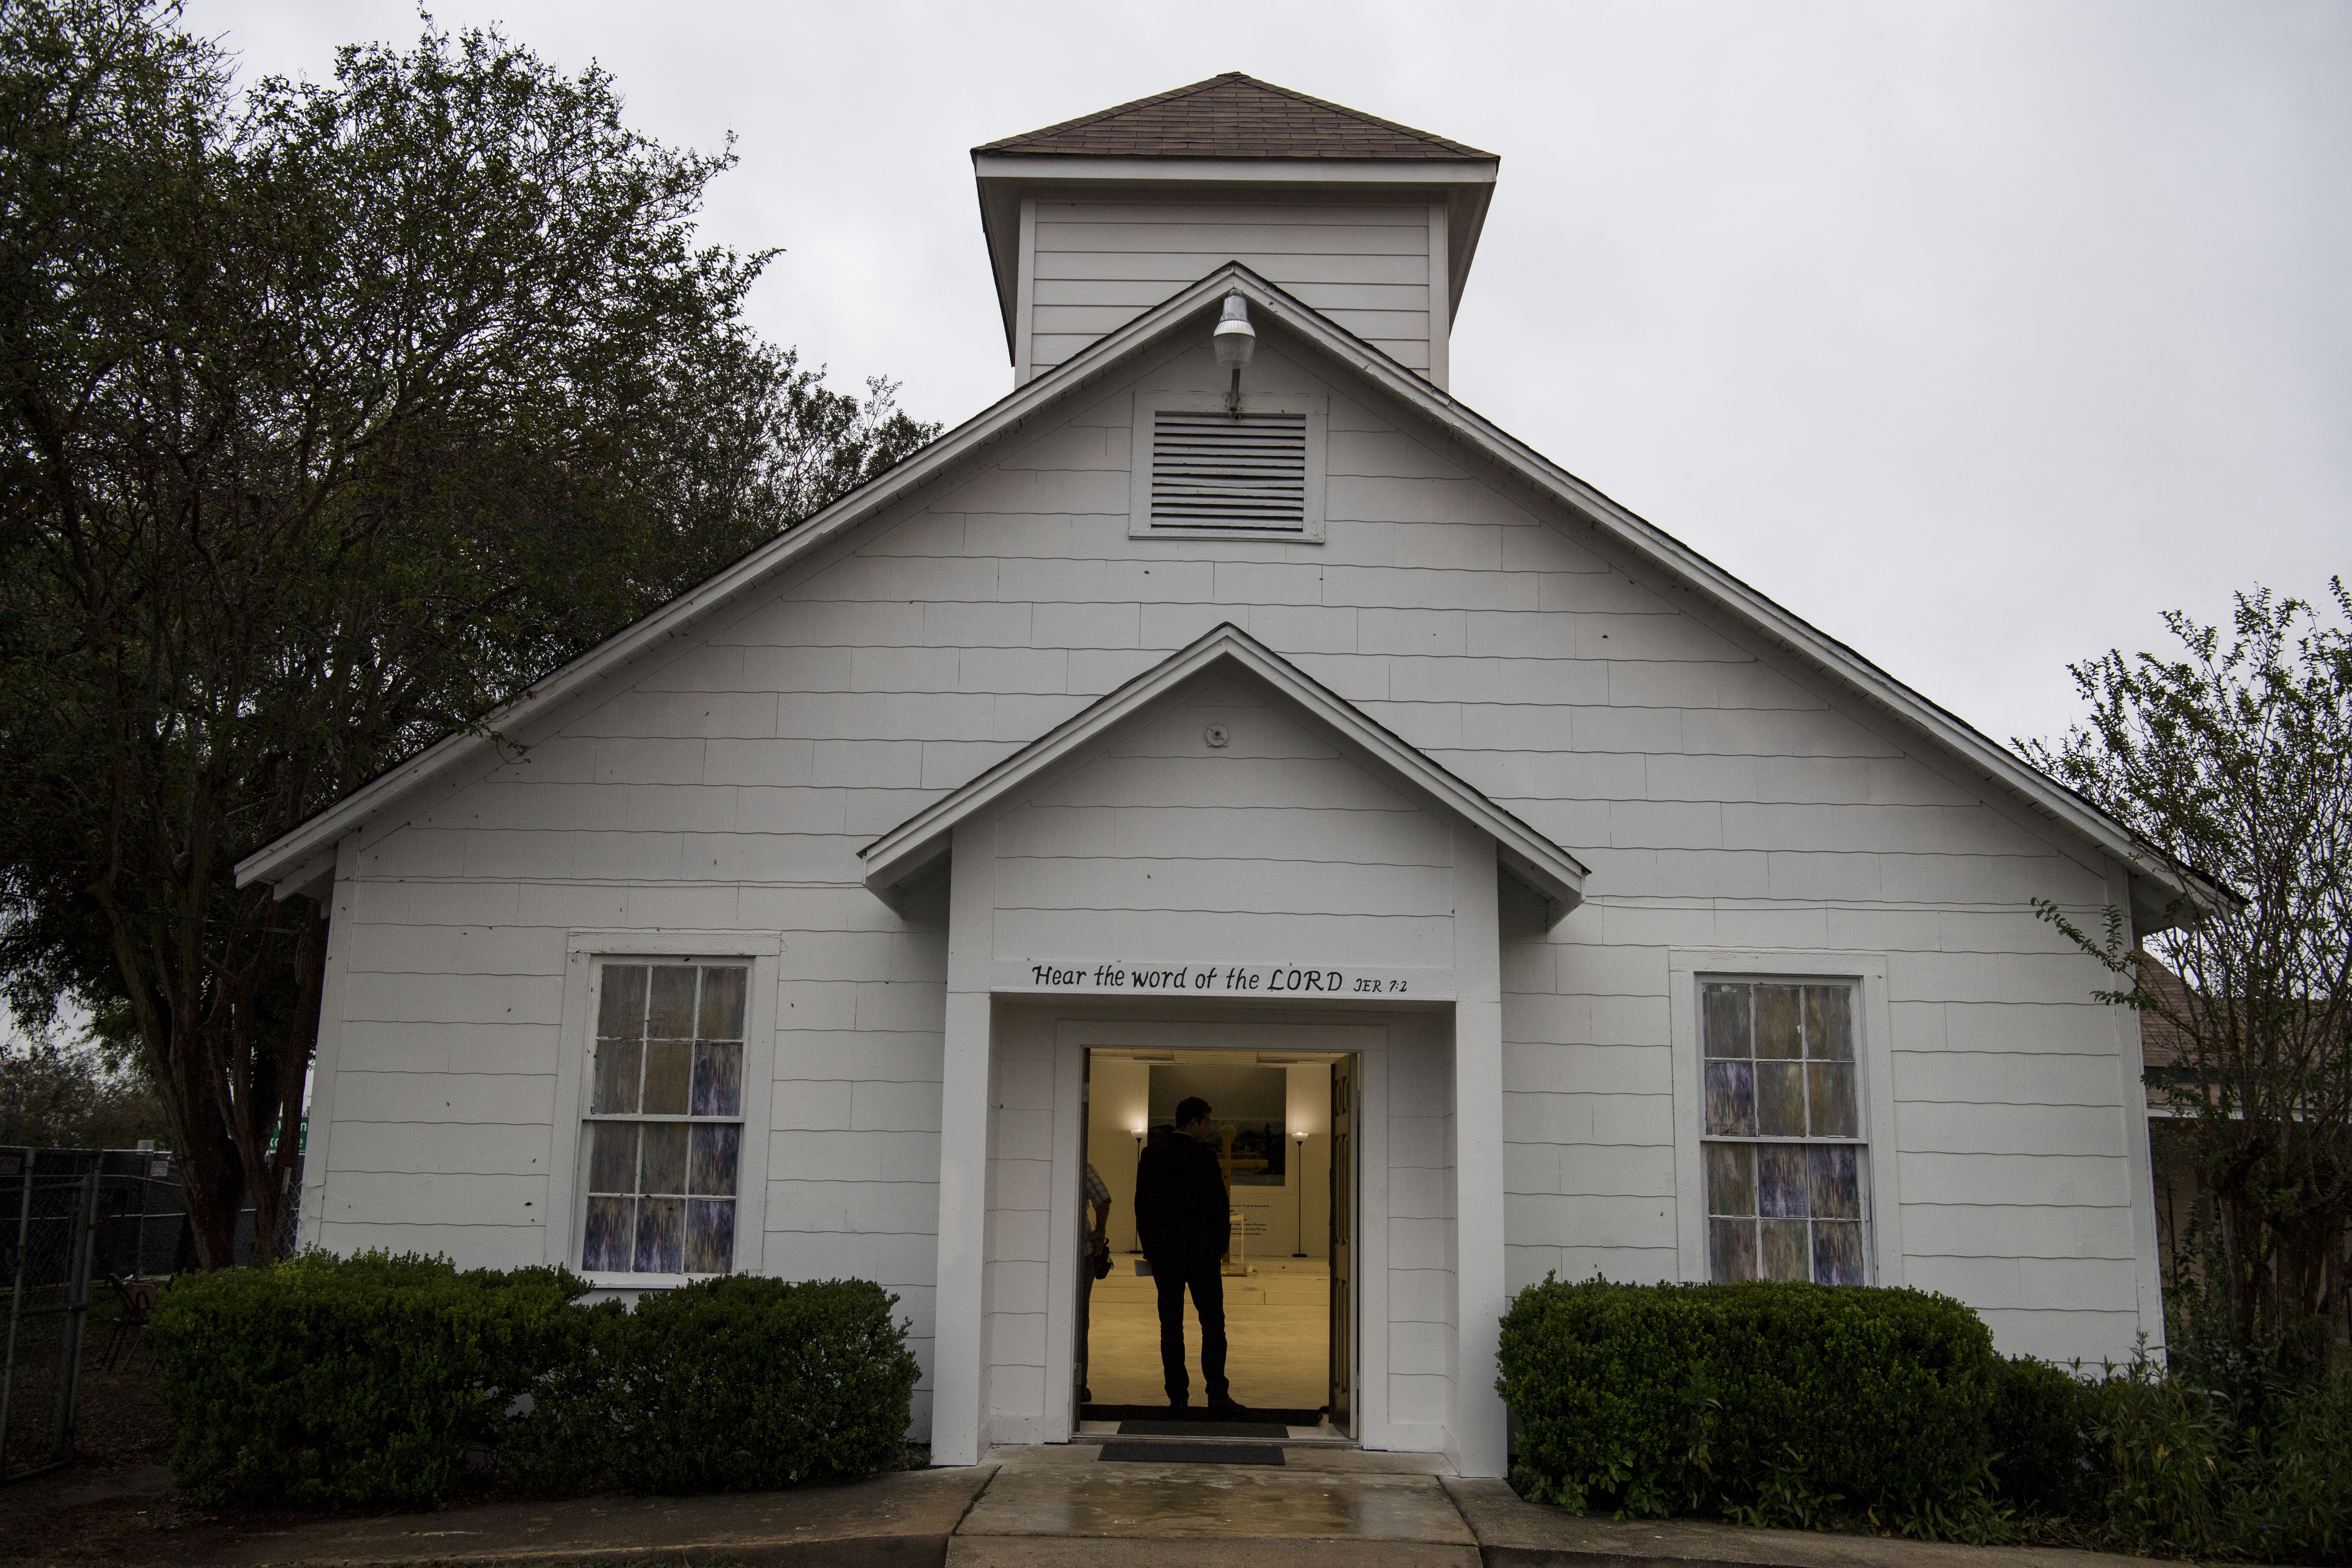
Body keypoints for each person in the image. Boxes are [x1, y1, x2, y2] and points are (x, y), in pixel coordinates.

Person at [1132, 1095, 1239, 1414]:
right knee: (1212, 1325)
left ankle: (1178, 1397)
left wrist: (1152, 1250)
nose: (1209, 1129)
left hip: (1165, 1259)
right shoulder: (1204, 1157)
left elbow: (1143, 1208)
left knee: (1171, 1327)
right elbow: (1219, 1208)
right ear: (1192, 1123)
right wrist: (1219, 1247)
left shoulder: (1151, 1156)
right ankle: (1217, 1395)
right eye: (1206, 1122)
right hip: (1202, 1258)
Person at [1077, 1160, 1111, 1402]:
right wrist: (1099, 1231)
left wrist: (1099, 1232)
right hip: (1083, 1253)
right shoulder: (1082, 1166)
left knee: (1079, 1320)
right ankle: (1079, 1385)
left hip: (1080, 1254)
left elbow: (1103, 1199)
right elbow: (1102, 1198)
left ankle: (1078, 1382)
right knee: (1081, 1320)